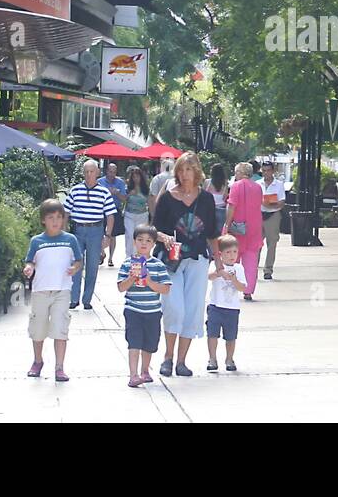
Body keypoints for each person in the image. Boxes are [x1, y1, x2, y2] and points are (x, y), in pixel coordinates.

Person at [151, 151, 220, 377]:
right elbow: (153, 228)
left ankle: (182, 361)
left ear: (197, 171)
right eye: (181, 169)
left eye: (189, 169)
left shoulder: (207, 199)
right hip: (171, 259)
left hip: (197, 259)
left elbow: (212, 233)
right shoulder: (168, 197)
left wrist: (218, 262)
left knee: (193, 310)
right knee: (174, 307)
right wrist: (164, 238)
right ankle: (168, 357)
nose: (185, 174)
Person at [23, 199, 83, 383]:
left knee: (60, 329)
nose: (56, 221)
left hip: (62, 291)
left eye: (59, 217)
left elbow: (79, 261)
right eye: (51, 218)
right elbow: (30, 260)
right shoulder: (37, 241)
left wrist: (75, 268)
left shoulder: (70, 239)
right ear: (43, 220)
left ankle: (59, 367)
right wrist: (29, 268)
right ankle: (37, 361)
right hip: (41, 291)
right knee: (38, 329)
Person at [117, 225, 172, 387]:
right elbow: (120, 287)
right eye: (140, 240)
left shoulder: (158, 265)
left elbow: (166, 288)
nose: (143, 244)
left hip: (153, 311)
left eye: (148, 241)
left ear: (154, 244)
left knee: (150, 343)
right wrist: (131, 278)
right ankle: (133, 374)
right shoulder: (128, 263)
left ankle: (145, 370)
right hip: (133, 309)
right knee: (134, 342)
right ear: (134, 242)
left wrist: (148, 280)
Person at [62, 159, 118, 310]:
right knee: (76, 264)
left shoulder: (104, 192)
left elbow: (111, 216)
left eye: (92, 171)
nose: (88, 175)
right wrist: (64, 231)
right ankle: (74, 299)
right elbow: (66, 212)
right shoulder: (75, 190)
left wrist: (107, 235)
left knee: (92, 266)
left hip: (96, 231)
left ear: (97, 173)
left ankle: (87, 299)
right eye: (86, 172)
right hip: (78, 231)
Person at [206, 234, 247, 372]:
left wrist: (234, 280)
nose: (231, 255)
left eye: (234, 252)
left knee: (231, 336)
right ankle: (212, 358)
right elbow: (209, 277)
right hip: (215, 306)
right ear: (220, 254)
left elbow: (243, 287)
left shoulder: (239, 268)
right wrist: (219, 272)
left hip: (232, 308)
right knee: (212, 334)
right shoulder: (215, 265)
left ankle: (229, 358)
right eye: (228, 252)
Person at [223, 162, 263, 299]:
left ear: (240, 173)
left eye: (236, 172)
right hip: (255, 227)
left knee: (233, 256)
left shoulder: (236, 186)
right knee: (251, 259)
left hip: (238, 227)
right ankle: (248, 290)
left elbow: (231, 206)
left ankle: (233, 285)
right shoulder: (258, 187)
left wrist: (227, 224)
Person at [259, 161, 286, 281]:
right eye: (264, 170)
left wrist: (269, 204)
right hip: (258, 214)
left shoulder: (278, 184)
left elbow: (281, 202)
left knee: (272, 244)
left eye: (268, 170)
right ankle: (252, 267)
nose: (266, 173)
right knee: (256, 244)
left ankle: (268, 269)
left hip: (273, 215)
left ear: (273, 171)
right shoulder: (257, 184)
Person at [101, 162, 128, 267]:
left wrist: (117, 193)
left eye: (114, 172)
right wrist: (107, 192)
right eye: (110, 172)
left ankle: (111, 258)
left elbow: (124, 199)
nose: (112, 174)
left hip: (114, 210)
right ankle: (102, 252)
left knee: (113, 235)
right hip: (101, 210)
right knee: (100, 233)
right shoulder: (100, 182)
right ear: (106, 171)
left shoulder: (120, 182)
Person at [122, 165, 151, 258]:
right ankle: (129, 256)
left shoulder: (145, 188)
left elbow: (149, 201)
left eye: (137, 176)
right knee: (130, 235)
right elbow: (123, 199)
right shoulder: (128, 187)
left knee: (140, 236)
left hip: (142, 215)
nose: (136, 178)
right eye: (133, 176)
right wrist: (129, 194)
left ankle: (139, 255)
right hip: (129, 214)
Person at [206, 162, 230, 232]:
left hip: (210, 209)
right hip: (222, 209)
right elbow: (224, 197)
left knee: (210, 231)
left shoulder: (207, 182)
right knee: (221, 231)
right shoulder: (225, 183)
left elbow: (203, 194)